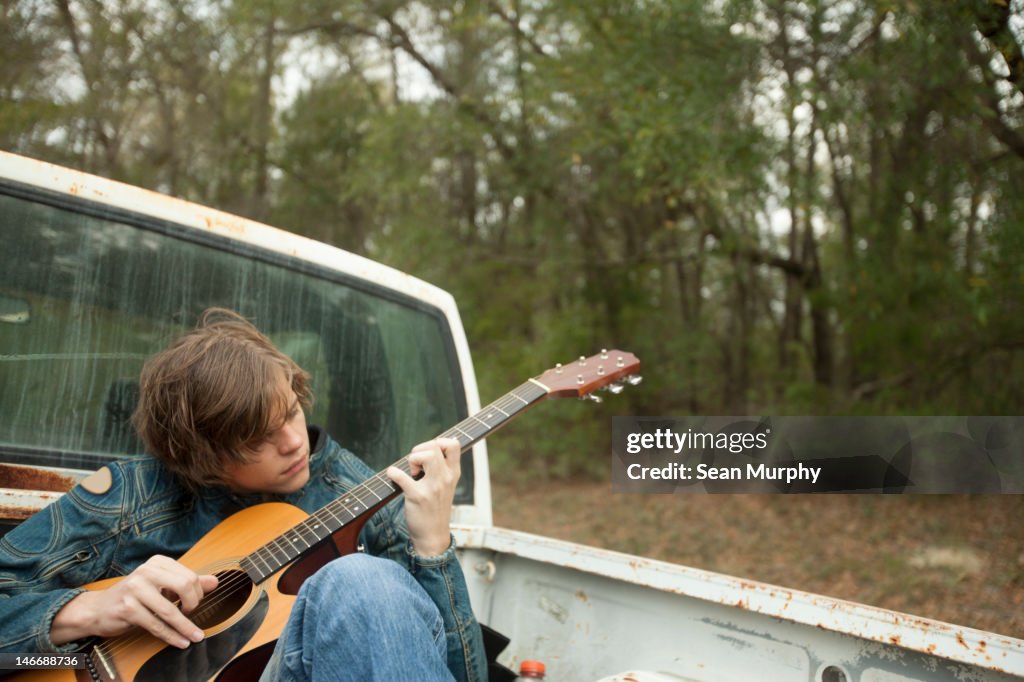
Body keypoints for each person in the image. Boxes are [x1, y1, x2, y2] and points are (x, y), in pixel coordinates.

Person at [0, 308, 487, 681]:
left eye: (292, 411)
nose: (295, 441)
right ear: (199, 457)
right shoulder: (133, 495)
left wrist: (432, 547)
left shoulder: (355, 491)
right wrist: (83, 612)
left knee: (363, 579)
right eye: (258, 438)